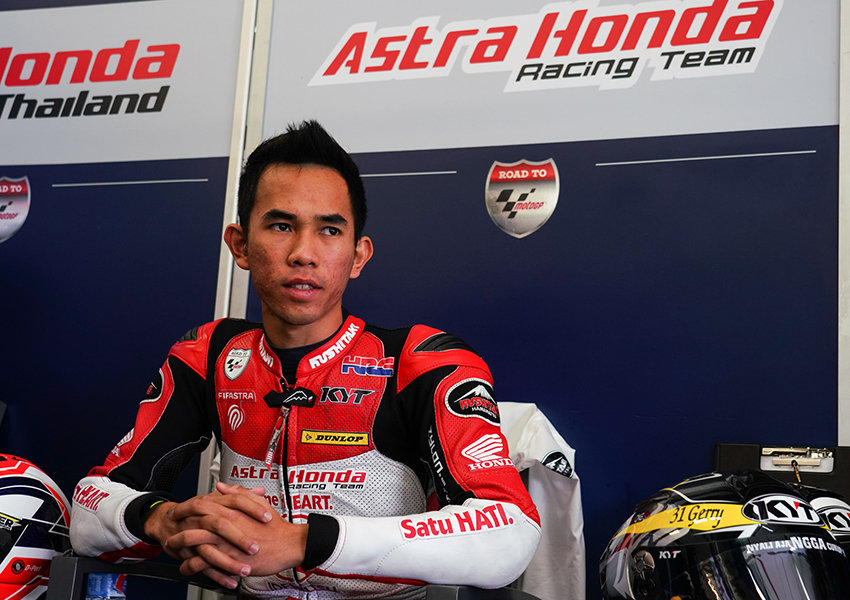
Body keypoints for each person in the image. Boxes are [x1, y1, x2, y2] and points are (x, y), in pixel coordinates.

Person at [70, 121, 542, 599]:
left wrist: (305, 542)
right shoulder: (209, 355)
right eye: (281, 226)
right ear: (240, 245)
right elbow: (87, 512)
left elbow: (509, 531)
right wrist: (165, 519)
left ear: (358, 256)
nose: (303, 254)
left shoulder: (421, 361)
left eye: (329, 230)